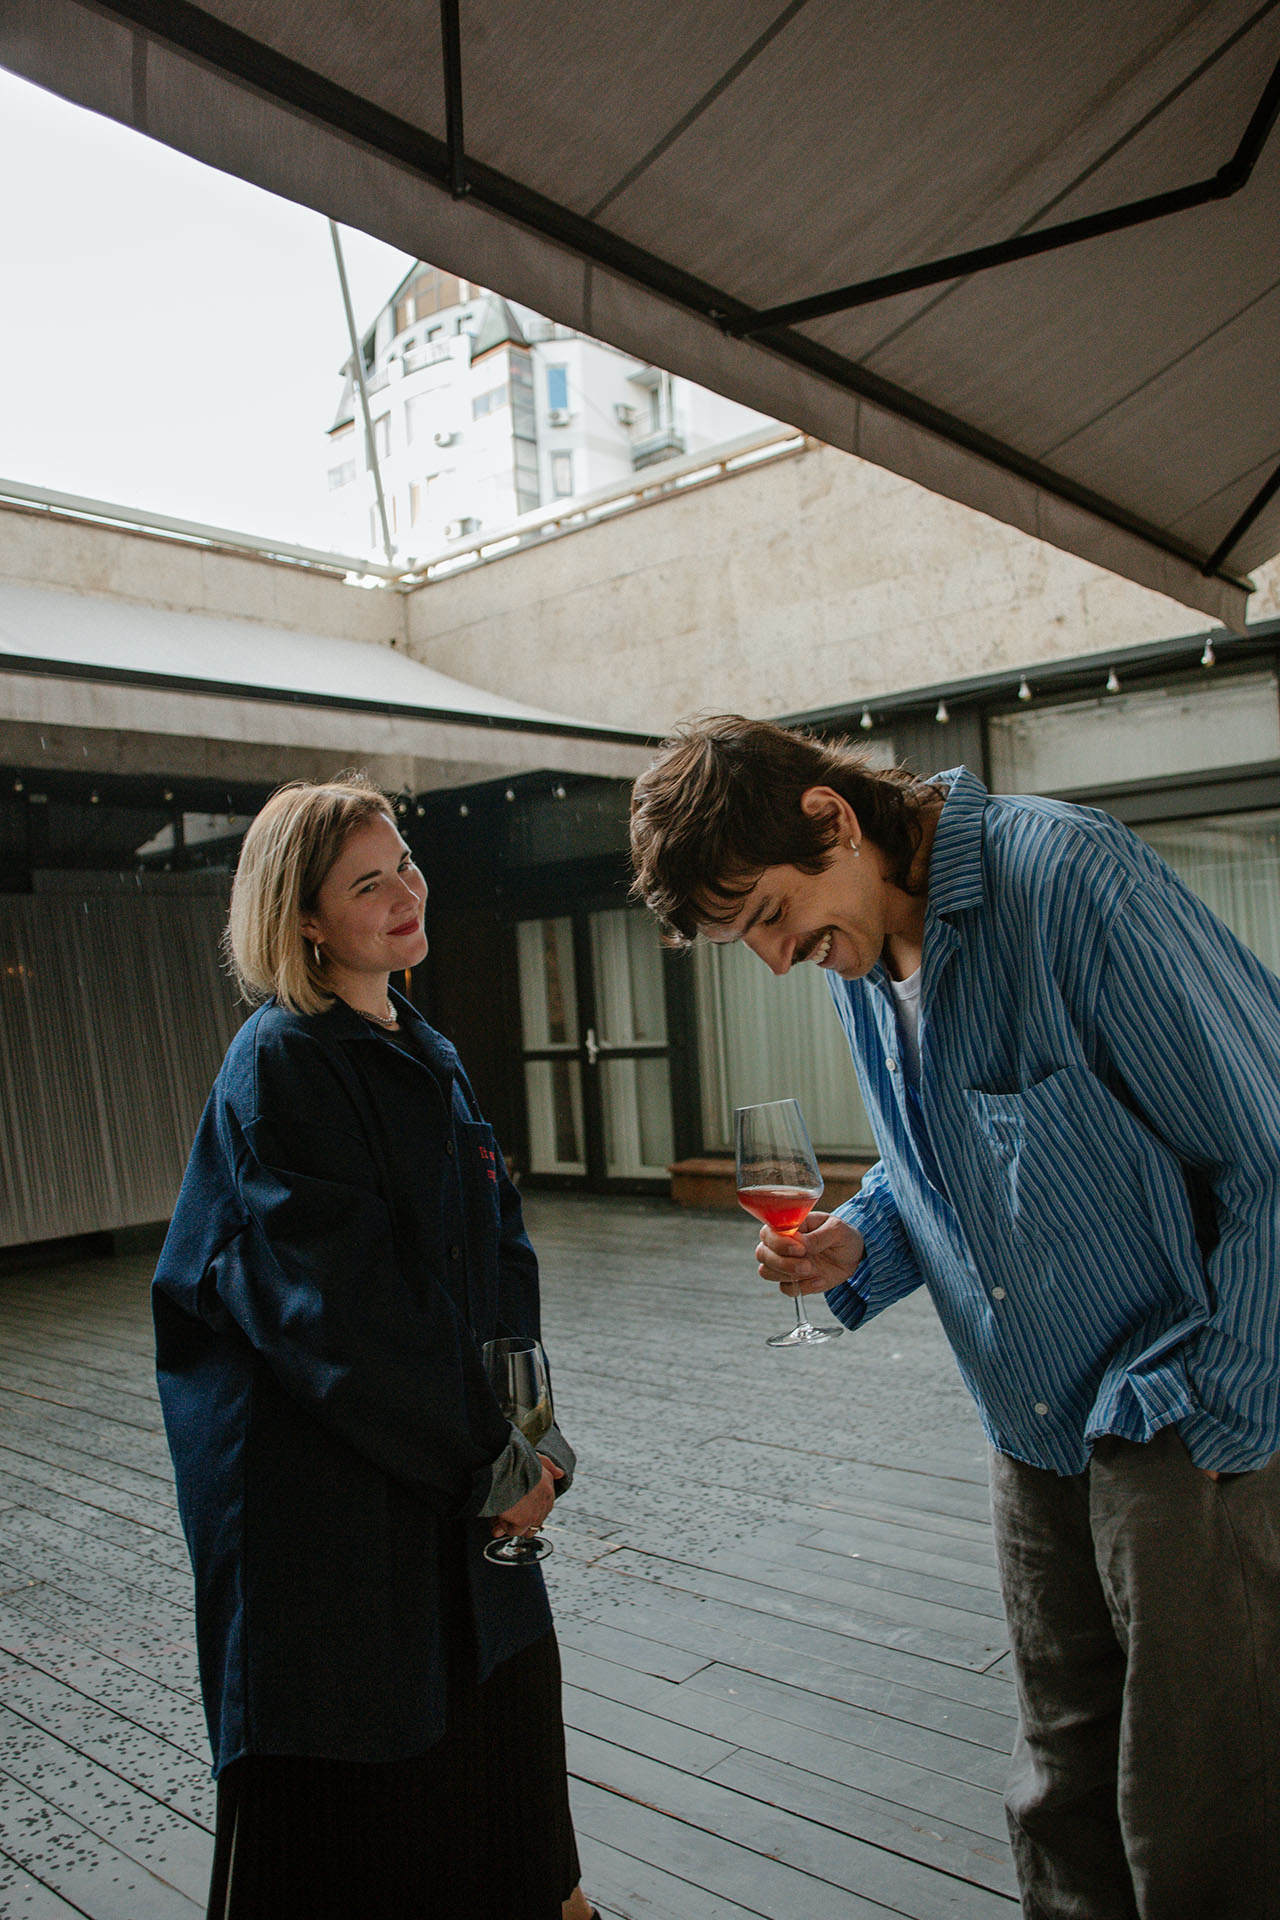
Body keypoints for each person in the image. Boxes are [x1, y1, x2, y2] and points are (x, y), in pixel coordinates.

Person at [629, 713, 1280, 1920]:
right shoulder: (857, 957)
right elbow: (942, 1155)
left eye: (768, 914)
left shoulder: (1068, 881)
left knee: (1201, 1825)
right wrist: (859, 1241)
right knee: (1058, 1803)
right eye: (742, 941)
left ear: (830, 819)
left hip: (1174, 1412)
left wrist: (1222, 1416)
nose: (773, 959)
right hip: (1026, 1427)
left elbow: (1268, 1147)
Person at [153, 775, 598, 1920]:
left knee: (496, 1731)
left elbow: (499, 1257)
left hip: (447, 1464)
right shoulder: (284, 1061)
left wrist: (527, 1434)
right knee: (366, 1793)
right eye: (368, 883)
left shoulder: (420, 1042)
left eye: (405, 863)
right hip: (330, 1500)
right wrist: (490, 1463)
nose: (407, 892)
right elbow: (340, 1314)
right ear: (303, 918)